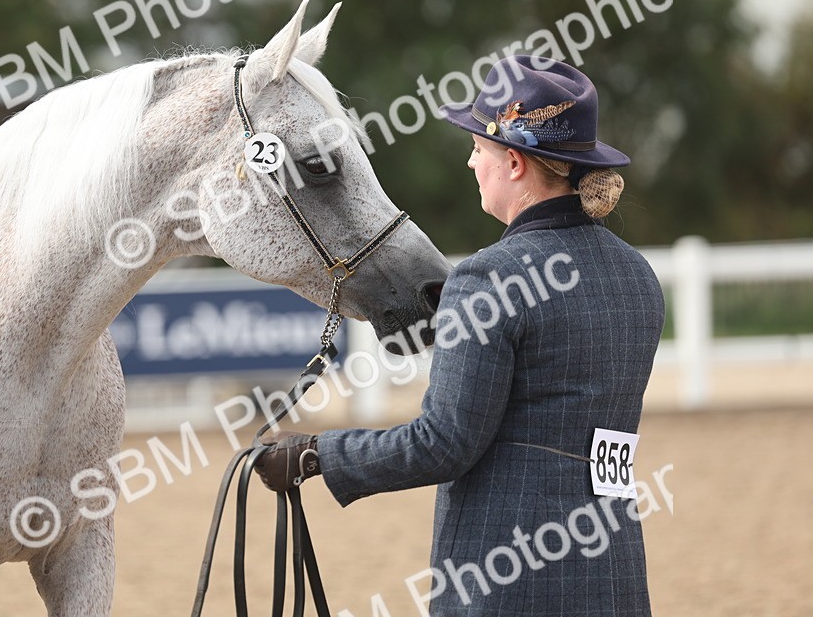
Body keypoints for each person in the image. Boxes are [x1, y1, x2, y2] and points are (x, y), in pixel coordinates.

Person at [254, 55, 666, 615]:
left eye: (480, 147)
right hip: (614, 567)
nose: (472, 162)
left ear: (515, 162)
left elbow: (443, 443)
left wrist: (316, 455)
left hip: (509, 571)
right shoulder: (637, 276)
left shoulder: (488, 277)